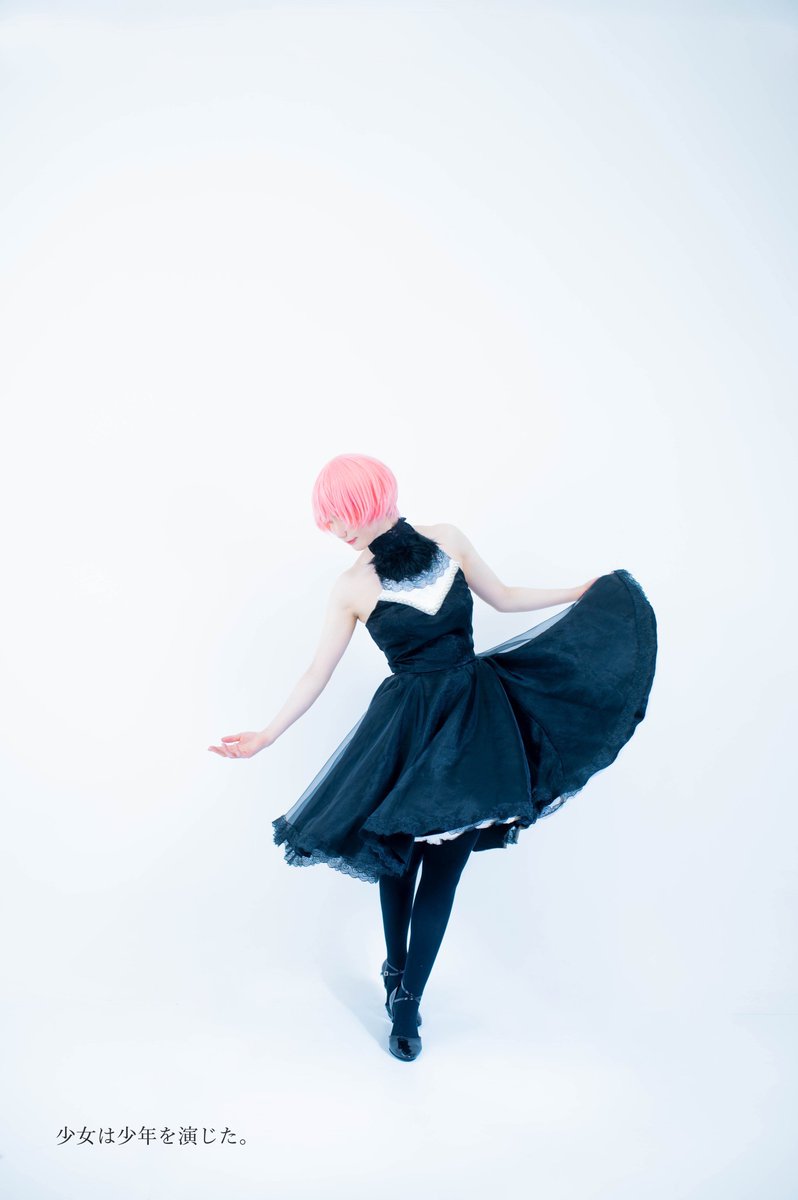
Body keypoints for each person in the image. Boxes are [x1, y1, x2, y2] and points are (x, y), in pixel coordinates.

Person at [208, 453, 658, 1062]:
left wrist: (582, 591)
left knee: (445, 869)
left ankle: (407, 1001)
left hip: (474, 720)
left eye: (340, 515)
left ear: (369, 501)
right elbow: (317, 672)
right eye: (327, 520)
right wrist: (266, 734)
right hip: (407, 726)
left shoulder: (447, 539)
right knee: (396, 860)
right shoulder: (351, 586)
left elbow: (504, 597)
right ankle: (395, 967)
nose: (334, 530)